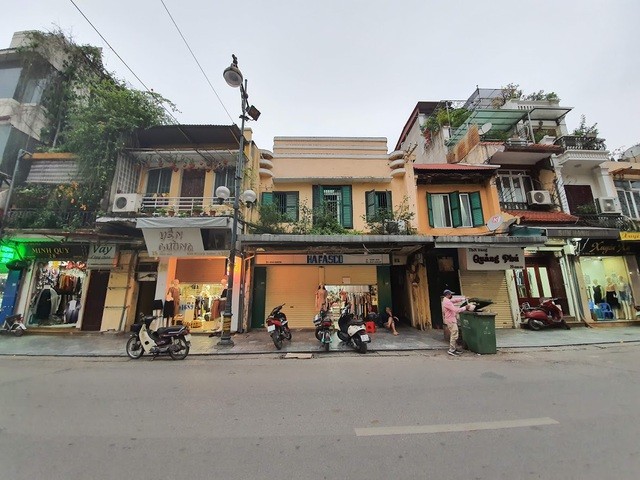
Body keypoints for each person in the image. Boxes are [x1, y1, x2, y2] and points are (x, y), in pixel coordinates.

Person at [442, 289, 470, 356]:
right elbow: (456, 310)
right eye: (451, 294)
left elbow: (454, 300)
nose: (451, 295)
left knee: (455, 334)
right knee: (454, 334)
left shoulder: (447, 300)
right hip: (451, 320)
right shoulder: (447, 302)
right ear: (448, 295)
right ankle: (451, 350)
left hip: (451, 319)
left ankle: (454, 348)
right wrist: (465, 308)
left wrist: (464, 298)